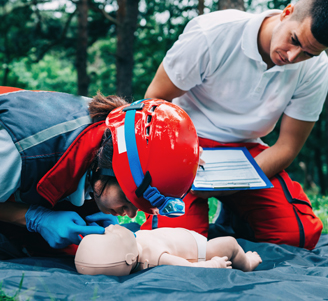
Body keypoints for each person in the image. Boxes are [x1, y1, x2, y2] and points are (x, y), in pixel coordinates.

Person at [143, 0, 328, 250]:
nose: (292, 57)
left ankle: (234, 213)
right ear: (287, 12)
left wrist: (232, 183)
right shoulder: (213, 32)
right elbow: (154, 100)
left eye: (308, 53)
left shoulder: (317, 67)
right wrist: (175, 163)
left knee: (296, 236)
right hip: (187, 144)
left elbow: (287, 146)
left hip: (248, 153)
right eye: (295, 40)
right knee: (177, 244)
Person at [0, 87, 199, 258]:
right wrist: (34, 218)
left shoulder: (108, 133)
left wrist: (90, 209)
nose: (129, 215)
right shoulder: (18, 151)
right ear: (107, 167)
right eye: (127, 199)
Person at [75, 224, 262, 276]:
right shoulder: (158, 258)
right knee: (229, 243)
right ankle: (247, 263)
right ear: (129, 258)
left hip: (180, 237)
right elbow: (187, 268)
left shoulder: (132, 246)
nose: (111, 230)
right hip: (198, 250)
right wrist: (213, 264)